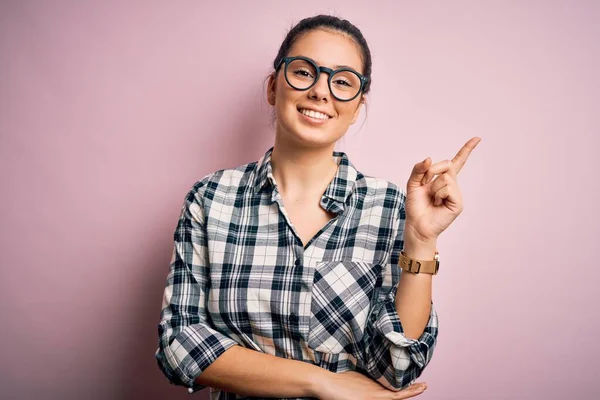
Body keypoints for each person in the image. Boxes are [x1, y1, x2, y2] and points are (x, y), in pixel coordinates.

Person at [155, 14, 480, 400]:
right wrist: (320, 381)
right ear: (274, 87)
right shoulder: (211, 199)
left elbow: (398, 367)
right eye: (305, 72)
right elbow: (179, 346)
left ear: (358, 106)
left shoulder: (392, 207)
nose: (321, 92)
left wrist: (422, 241)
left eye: (342, 81)